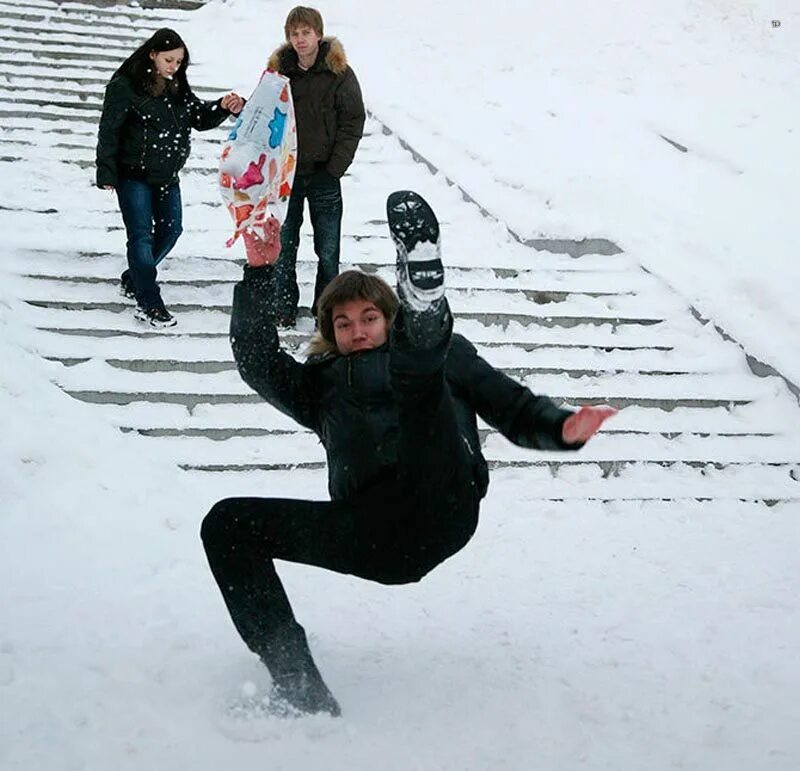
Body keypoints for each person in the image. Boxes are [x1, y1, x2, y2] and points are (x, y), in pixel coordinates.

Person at [201, 191, 617, 718]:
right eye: (344, 323)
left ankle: (426, 306)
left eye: (369, 317)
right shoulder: (320, 387)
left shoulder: (446, 357)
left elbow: (510, 407)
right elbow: (257, 360)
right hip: (372, 535)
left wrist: (562, 429)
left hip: (441, 501)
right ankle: (297, 685)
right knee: (228, 524)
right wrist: (260, 271)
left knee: (422, 380)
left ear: (388, 316)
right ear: (331, 332)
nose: (357, 331)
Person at [96, 28, 244, 328]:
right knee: (140, 236)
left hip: (166, 176)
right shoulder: (125, 87)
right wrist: (107, 172)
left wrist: (222, 106)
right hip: (132, 175)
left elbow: (199, 117)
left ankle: (134, 277)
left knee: (172, 230)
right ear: (152, 54)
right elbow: (109, 132)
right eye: (169, 60)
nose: (174, 67)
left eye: (178, 61)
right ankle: (149, 300)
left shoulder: (177, 88)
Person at [265, 5, 366, 327]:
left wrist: (335, 167)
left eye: (305, 32)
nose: (300, 39)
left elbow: (353, 120)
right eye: (294, 34)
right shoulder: (278, 73)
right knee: (284, 245)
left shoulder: (340, 73)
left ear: (318, 34)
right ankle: (283, 307)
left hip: (325, 174)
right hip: (287, 175)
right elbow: (264, 114)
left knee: (328, 249)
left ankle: (325, 310)